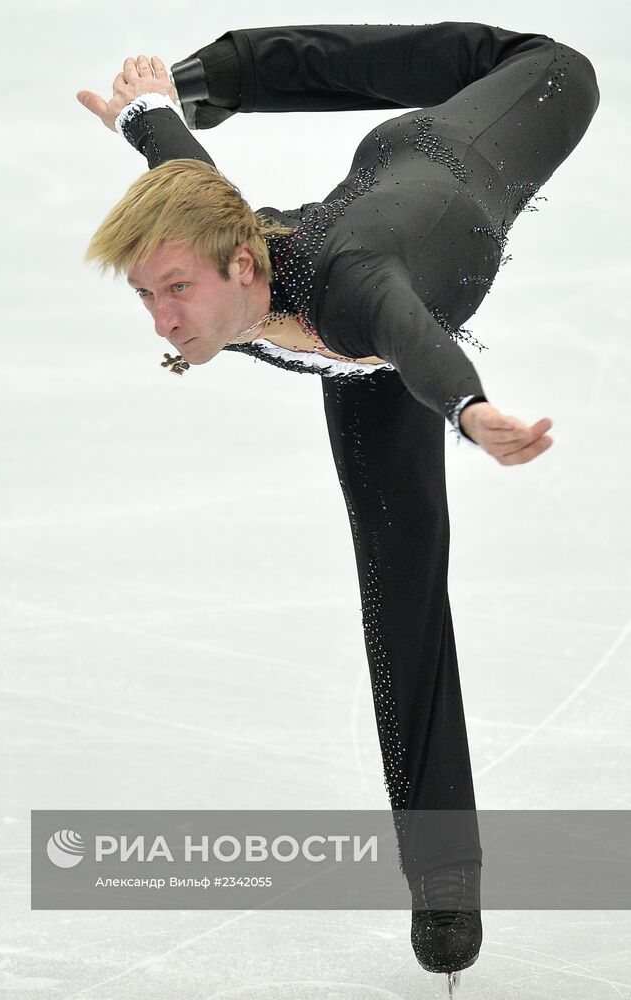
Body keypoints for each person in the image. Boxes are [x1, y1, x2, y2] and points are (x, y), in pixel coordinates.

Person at [76, 22, 600, 981]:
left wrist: (471, 408)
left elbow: (412, 332)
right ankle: (444, 881)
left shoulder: (351, 290)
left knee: (558, 63)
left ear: (239, 271)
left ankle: (231, 70)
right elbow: (194, 184)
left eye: (175, 290)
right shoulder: (228, 259)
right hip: (363, 354)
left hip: (451, 167)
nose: (161, 318)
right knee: (398, 608)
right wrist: (149, 116)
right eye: (148, 296)